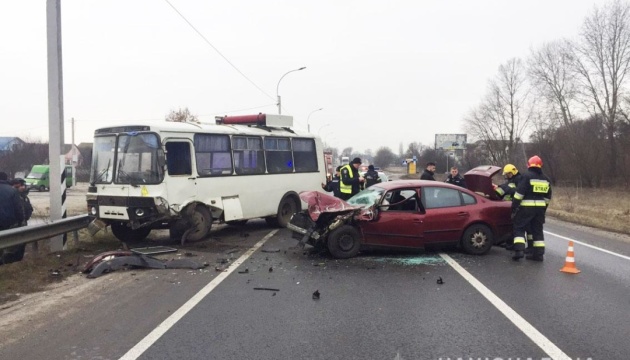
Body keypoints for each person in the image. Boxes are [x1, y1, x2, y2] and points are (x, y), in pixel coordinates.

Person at [510, 155, 552, 261]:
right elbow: (548, 197)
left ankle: (519, 251)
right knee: (537, 230)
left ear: (529, 165)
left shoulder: (526, 176)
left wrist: (514, 206)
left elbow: (519, 193)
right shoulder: (546, 179)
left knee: (519, 227)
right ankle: (538, 255)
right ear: (540, 166)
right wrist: (543, 208)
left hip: (526, 208)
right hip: (540, 210)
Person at [0, 172, 25, 264]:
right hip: (8, 223)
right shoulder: (12, 191)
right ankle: (4, 262)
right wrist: (21, 221)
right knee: (8, 245)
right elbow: (18, 209)